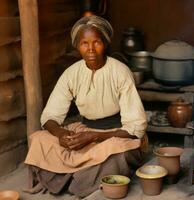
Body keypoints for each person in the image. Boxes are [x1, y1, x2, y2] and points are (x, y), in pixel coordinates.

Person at [24, 15, 148, 198]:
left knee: (120, 151)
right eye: (84, 43)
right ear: (77, 46)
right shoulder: (71, 74)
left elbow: (135, 127)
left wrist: (95, 136)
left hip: (116, 134)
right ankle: (84, 176)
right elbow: (50, 116)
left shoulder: (120, 72)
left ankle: (74, 179)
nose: (90, 49)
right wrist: (61, 135)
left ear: (104, 43)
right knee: (39, 139)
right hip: (83, 130)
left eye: (96, 42)